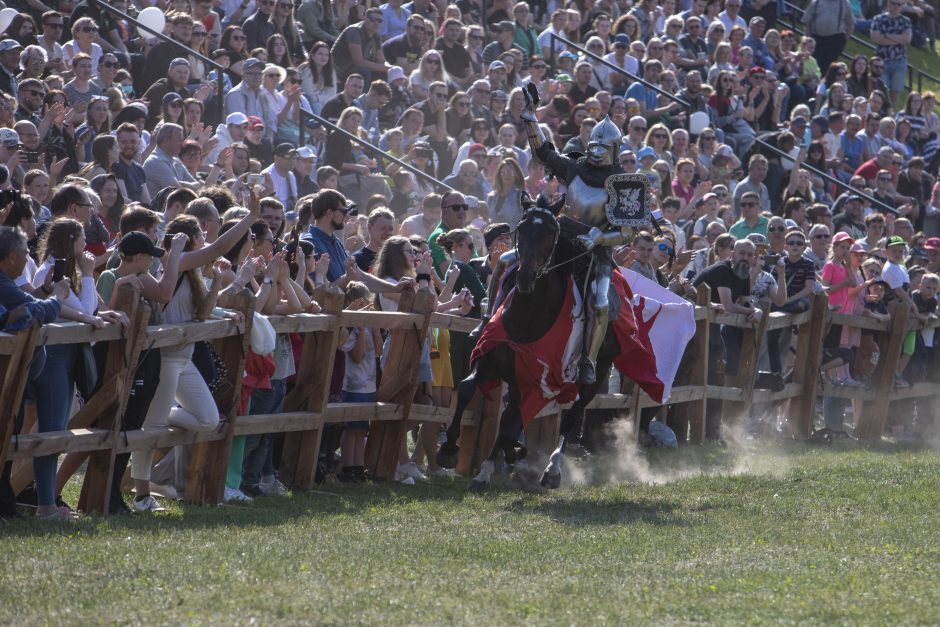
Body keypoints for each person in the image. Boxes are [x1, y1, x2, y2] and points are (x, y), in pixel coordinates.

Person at [0, 226, 70, 520]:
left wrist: (44, 294)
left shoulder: (7, 282)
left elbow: (24, 306)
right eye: (25, 254)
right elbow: (37, 313)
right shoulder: (3, 282)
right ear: (13, 257)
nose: (27, 258)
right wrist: (59, 298)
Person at [870, 0, 913, 110]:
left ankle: (890, 114)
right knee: (879, 90)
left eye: (899, 4)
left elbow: (907, 39)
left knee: (895, 91)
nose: (896, 6)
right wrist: (898, 39)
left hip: (899, 60)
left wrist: (885, 36)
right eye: (894, 3)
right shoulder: (878, 19)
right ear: (888, 4)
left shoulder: (905, 21)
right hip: (881, 61)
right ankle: (878, 112)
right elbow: (875, 38)